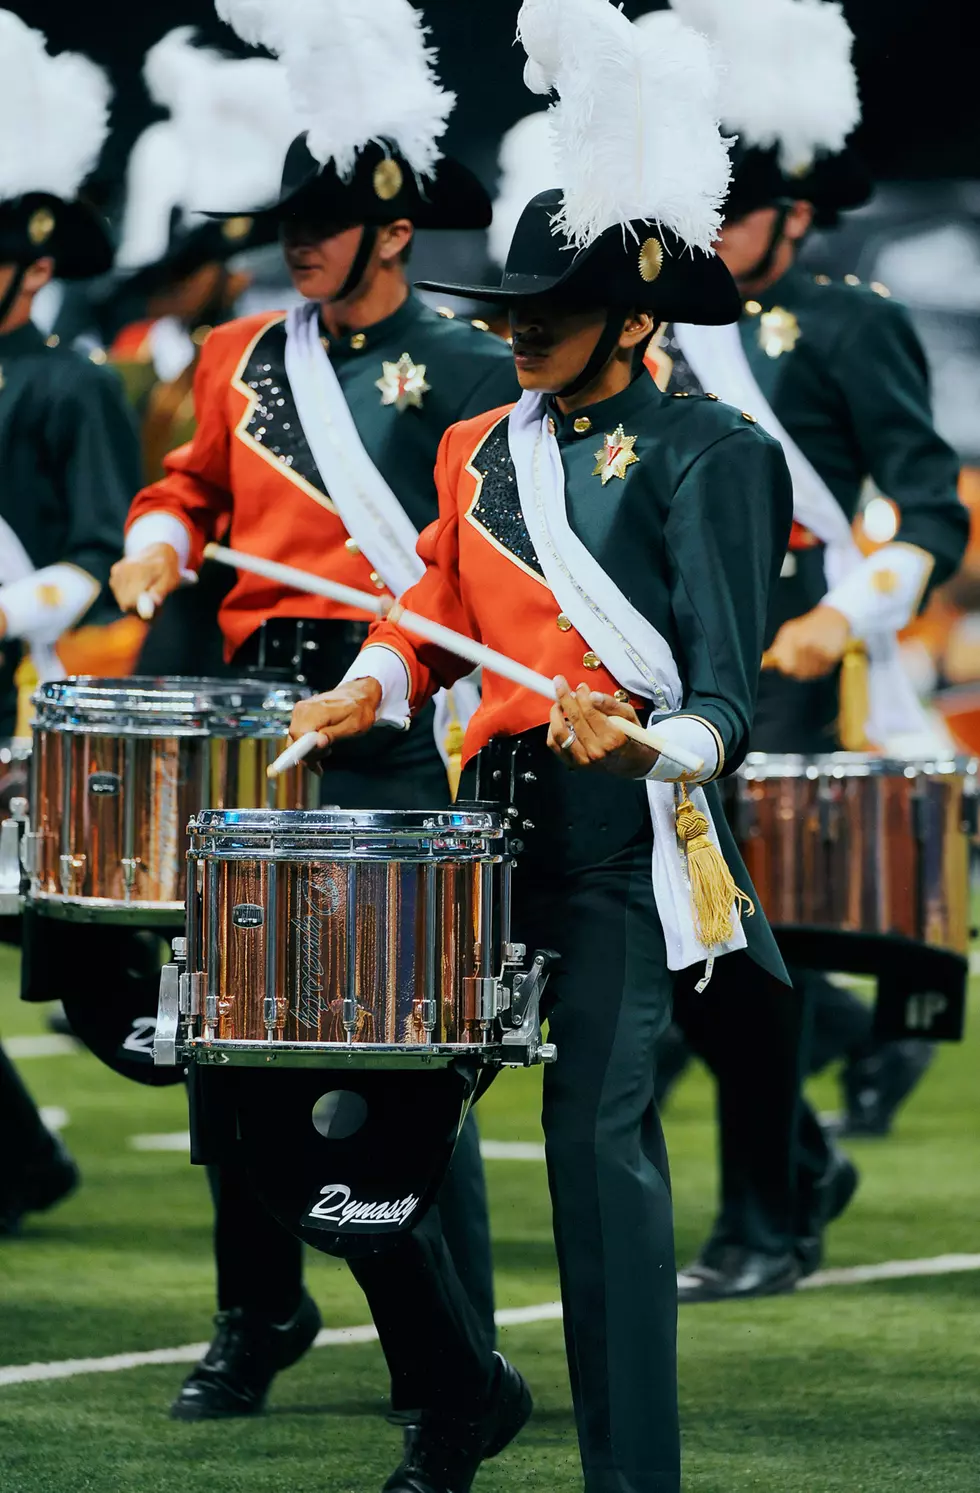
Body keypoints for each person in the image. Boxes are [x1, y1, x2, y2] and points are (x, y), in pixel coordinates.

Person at [284, 4, 793, 1488]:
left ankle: (630, 1478)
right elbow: (430, 601)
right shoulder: (479, 446)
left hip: (622, 851)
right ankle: (460, 1390)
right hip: (484, 830)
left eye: (544, 317)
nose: (513, 340)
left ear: (639, 311)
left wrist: (646, 746)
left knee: (594, 1155)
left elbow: (722, 695)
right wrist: (367, 688)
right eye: (504, 316)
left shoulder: (715, 453)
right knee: (358, 1139)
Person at [110, 0, 517, 1426]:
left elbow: (490, 548)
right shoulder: (237, 355)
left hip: (390, 719)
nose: (300, 243)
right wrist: (161, 530)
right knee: (233, 1036)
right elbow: (190, 486)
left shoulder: (472, 365)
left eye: (326, 221)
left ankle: (456, 1351)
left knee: (405, 1044)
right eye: (291, 220)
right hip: (251, 722)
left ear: (396, 228)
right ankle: (257, 1312)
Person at [640, 0, 969, 1301]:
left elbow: (928, 498)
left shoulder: (845, 321)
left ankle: (765, 1222)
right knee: (683, 961)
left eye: (735, 210)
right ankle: (811, 1153)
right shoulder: (652, 327)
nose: (711, 234)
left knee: (731, 953)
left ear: (792, 215)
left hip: (785, 673)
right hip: (661, 670)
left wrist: (852, 610)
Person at [0, 13, 140, 1229]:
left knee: (94, 980)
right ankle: (17, 1157)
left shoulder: (71, 381)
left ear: (33, 261)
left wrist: (5, 609)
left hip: (33, 689)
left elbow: (96, 552)